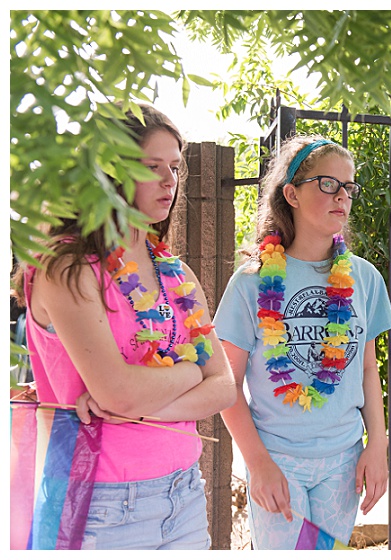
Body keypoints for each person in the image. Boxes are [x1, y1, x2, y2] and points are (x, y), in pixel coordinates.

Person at [13, 103, 236, 548]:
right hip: (100, 504)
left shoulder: (178, 274)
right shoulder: (68, 267)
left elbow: (225, 388)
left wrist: (137, 407)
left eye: (175, 167)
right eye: (151, 166)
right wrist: (193, 373)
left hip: (185, 493)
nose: (170, 179)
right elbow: (117, 390)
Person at [213, 135, 391, 549]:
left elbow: (367, 369)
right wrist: (257, 463)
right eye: (328, 184)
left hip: (344, 460)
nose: (342, 196)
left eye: (349, 187)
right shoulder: (252, 282)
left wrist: (377, 446)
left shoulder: (364, 279)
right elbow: (227, 385)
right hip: (278, 458)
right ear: (292, 193)